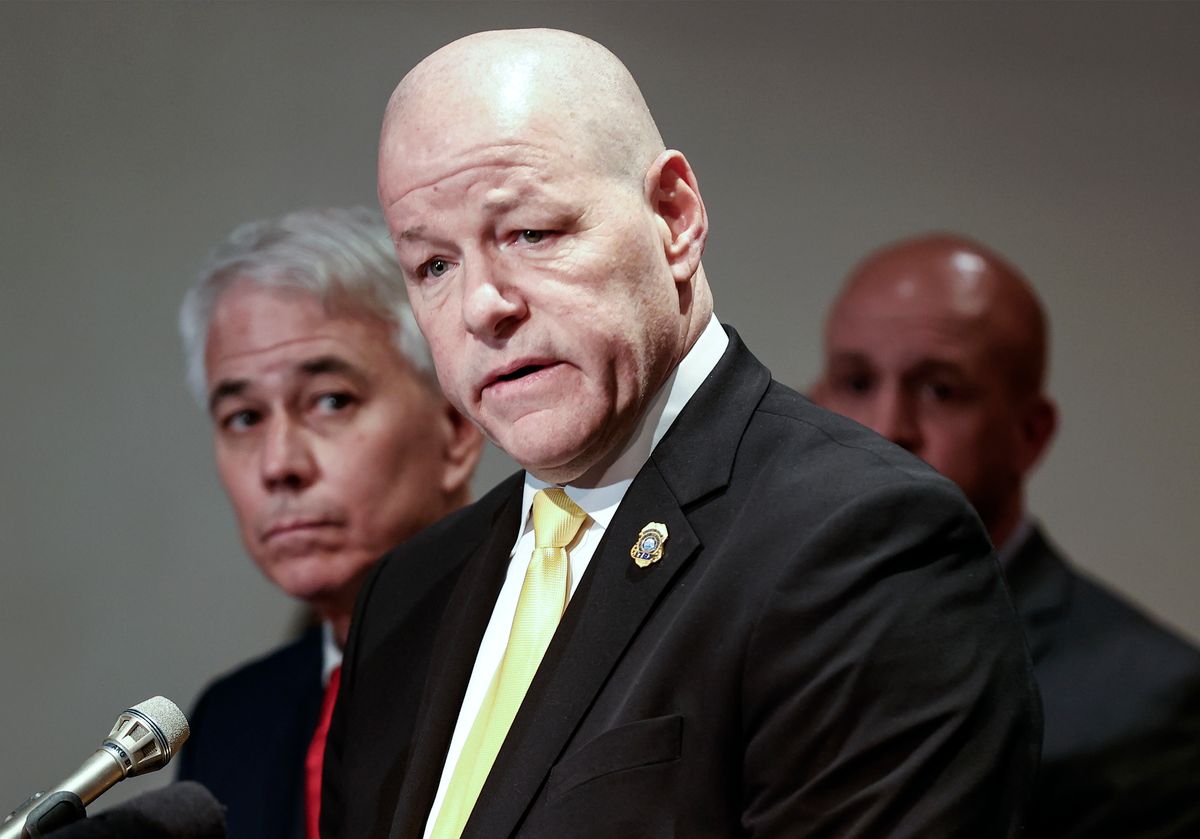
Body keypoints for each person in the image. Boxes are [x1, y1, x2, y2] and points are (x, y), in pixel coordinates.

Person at [322, 30, 1040, 839]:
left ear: (675, 217)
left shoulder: (864, 544)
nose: (483, 305)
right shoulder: (409, 591)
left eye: (530, 232)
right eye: (433, 267)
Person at [812, 232, 1200, 838]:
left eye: (941, 390)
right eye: (856, 383)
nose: (886, 429)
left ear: (1030, 434)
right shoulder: (747, 635)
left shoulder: (1151, 700)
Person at [175, 207, 485, 839]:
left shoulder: (562, 657)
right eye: (243, 417)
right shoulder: (231, 724)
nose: (279, 465)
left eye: (330, 401)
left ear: (455, 428)